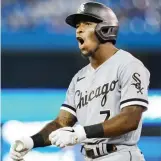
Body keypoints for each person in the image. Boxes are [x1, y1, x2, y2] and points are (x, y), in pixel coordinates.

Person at [10, 2, 150, 161]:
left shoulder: (128, 65)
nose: (79, 29)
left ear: (105, 29)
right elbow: (62, 123)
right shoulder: (79, 78)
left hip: (120, 154)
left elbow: (130, 118)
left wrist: (82, 133)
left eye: (87, 24)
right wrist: (31, 141)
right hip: (89, 157)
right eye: (77, 25)